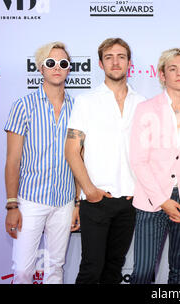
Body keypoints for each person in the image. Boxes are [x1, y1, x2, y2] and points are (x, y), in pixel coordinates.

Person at [65, 38, 145, 284]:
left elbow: (147, 153)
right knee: (91, 268)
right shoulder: (86, 101)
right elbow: (71, 149)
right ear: (100, 64)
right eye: (109, 57)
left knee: (114, 268)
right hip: (97, 198)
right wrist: (88, 191)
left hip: (130, 202)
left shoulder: (142, 103)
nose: (115, 61)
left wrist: (140, 189)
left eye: (121, 56)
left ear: (129, 63)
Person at [129, 48, 180, 284]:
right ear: (162, 75)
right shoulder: (145, 110)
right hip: (151, 202)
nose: (179, 74)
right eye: (173, 69)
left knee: (179, 272)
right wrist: (163, 201)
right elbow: (138, 160)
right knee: (143, 272)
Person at [4, 41, 79, 284]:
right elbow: (12, 161)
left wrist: (77, 202)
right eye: (50, 63)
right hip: (31, 201)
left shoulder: (78, 108)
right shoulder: (23, 106)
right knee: (23, 270)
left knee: (55, 269)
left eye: (63, 63)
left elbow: (80, 158)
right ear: (40, 68)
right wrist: (12, 205)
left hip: (65, 201)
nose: (57, 67)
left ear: (69, 69)